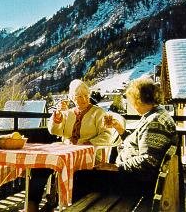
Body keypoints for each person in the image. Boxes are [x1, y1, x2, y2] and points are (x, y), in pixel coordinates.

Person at [72, 77, 177, 201]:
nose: (130, 103)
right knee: (87, 174)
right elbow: (140, 144)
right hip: (135, 177)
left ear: (139, 100)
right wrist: (118, 128)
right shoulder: (154, 114)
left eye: (131, 99)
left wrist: (117, 167)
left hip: (137, 183)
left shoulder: (155, 122)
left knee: (80, 177)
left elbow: (148, 160)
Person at [27, 79, 124, 212]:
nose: (83, 99)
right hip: (65, 153)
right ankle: (32, 205)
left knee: (72, 172)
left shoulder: (98, 112)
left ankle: (55, 202)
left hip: (89, 155)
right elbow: (54, 131)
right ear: (72, 98)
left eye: (86, 95)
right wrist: (57, 118)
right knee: (40, 166)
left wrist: (89, 143)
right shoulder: (68, 112)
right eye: (79, 96)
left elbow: (107, 135)